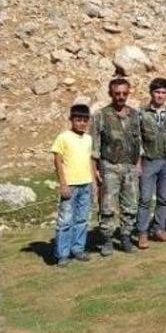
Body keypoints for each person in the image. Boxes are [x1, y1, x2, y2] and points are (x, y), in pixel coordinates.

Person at [90, 78, 142, 255]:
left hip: (130, 166)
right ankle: (106, 239)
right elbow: (95, 147)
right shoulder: (101, 115)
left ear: (128, 93)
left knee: (130, 205)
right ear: (110, 94)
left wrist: (138, 165)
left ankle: (126, 236)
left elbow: (138, 141)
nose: (121, 97)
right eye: (117, 93)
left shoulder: (135, 115)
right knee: (108, 206)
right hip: (109, 166)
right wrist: (95, 171)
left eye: (124, 93)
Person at [136, 78, 166, 249]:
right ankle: (142, 232)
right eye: (157, 92)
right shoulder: (141, 113)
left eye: (163, 92)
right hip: (149, 161)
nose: (160, 95)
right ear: (151, 93)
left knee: (164, 198)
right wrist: (138, 163)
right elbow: (138, 140)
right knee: (145, 199)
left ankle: (159, 229)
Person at [51, 104, 96, 267]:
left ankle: (78, 248)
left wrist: (94, 182)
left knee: (82, 218)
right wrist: (63, 183)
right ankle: (62, 253)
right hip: (70, 185)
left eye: (85, 120)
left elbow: (90, 160)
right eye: (78, 120)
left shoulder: (88, 138)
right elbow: (57, 159)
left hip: (86, 183)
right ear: (71, 120)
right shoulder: (64, 137)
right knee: (65, 220)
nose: (82, 123)